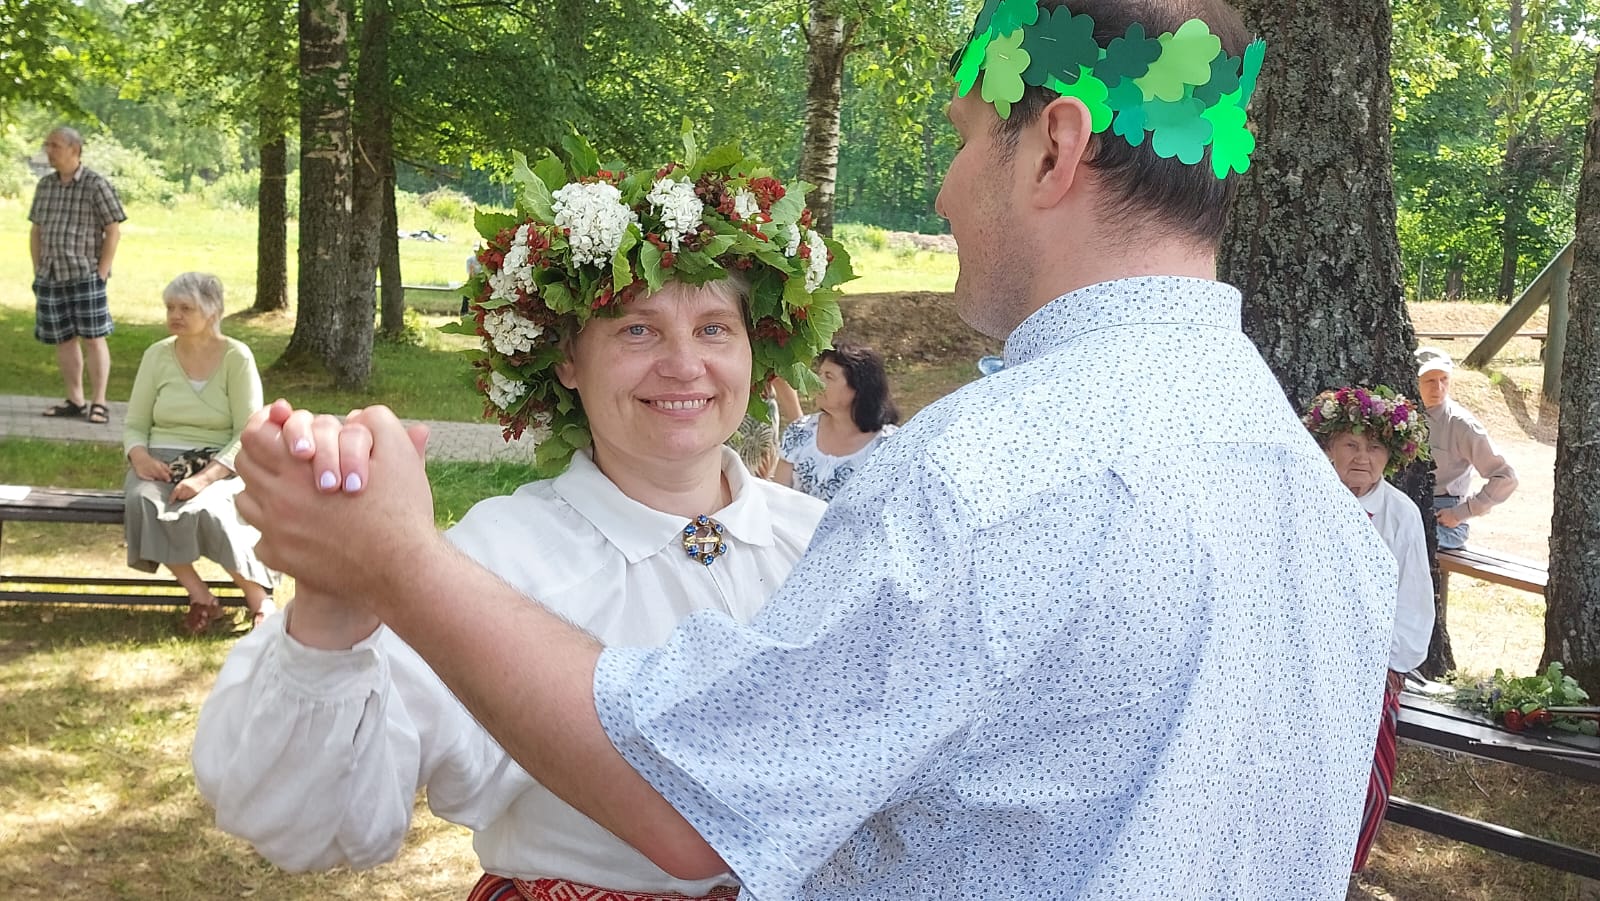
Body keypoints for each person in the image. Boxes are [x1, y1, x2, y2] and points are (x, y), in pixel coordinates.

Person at [229, 2, 1397, 896]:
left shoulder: (985, 478)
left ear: (1053, 147)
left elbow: (687, 808)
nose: (942, 192)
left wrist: (397, 557)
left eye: (963, 139)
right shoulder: (1321, 508)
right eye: (634, 328)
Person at [193, 142, 844, 899]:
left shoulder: (826, 539)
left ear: (755, 352)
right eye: (637, 329)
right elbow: (307, 824)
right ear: (566, 360)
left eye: (714, 328)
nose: (683, 364)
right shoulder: (498, 557)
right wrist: (338, 599)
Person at [1302, 385, 1433, 873]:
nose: (1362, 457)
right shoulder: (1308, 500)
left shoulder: (1400, 513)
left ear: (1391, 456)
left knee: (1364, 784)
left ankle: (1340, 871)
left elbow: (1413, 599)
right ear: (1329, 447)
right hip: (1302, 657)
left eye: (1374, 446)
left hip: (1368, 667)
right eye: (1351, 444)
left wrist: (1389, 667)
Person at [123, 273, 278, 633]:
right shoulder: (156, 355)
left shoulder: (237, 357)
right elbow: (134, 423)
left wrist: (205, 478)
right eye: (170, 307)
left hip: (220, 463)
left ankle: (260, 601)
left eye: (185, 308)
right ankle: (201, 597)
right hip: (159, 461)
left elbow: (248, 432)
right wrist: (140, 457)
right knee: (144, 502)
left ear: (212, 312)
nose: (174, 315)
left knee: (209, 510)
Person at [31, 126, 126, 425]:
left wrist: (101, 271)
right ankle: (75, 400)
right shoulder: (45, 185)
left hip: (85, 274)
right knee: (63, 340)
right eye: (47, 145)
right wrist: (37, 269)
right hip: (51, 274)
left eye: (55, 145)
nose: (49, 151)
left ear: (74, 149)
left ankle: (99, 402)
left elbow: (113, 230)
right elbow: (36, 230)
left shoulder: (96, 185)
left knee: (94, 338)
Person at [1415, 347, 1517, 549]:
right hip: (1403, 506)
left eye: (1444, 379)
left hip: (1442, 516)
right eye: (1430, 381)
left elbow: (1506, 477)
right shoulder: (1400, 413)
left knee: (1411, 545)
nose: (1438, 388)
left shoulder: (1462, 425)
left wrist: (1461, 512)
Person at [775, 341, 899, 501]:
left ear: (858, 387)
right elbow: (777, 497)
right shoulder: (800, 432)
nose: (818, 382)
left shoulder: (888, 447)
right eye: (820, 374)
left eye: (829, 376)